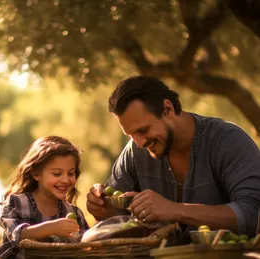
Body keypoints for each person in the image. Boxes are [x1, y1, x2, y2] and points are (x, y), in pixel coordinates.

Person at [86, 76, 260, 239]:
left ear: (167, 109)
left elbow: (253, 215)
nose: (139, 143)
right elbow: (118, 225)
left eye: (143, 130)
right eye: (131, 135)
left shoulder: (227, 141)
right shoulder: (134, 153)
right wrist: (105, 211)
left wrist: (175, 210)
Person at [0, 136, 90, 259]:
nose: (66, 180)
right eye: (57, 174)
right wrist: (52, 228)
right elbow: (17, 235)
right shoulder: (16, 203)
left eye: (71, 173)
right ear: (36, 173)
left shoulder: (74, 213)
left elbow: (87, 243)